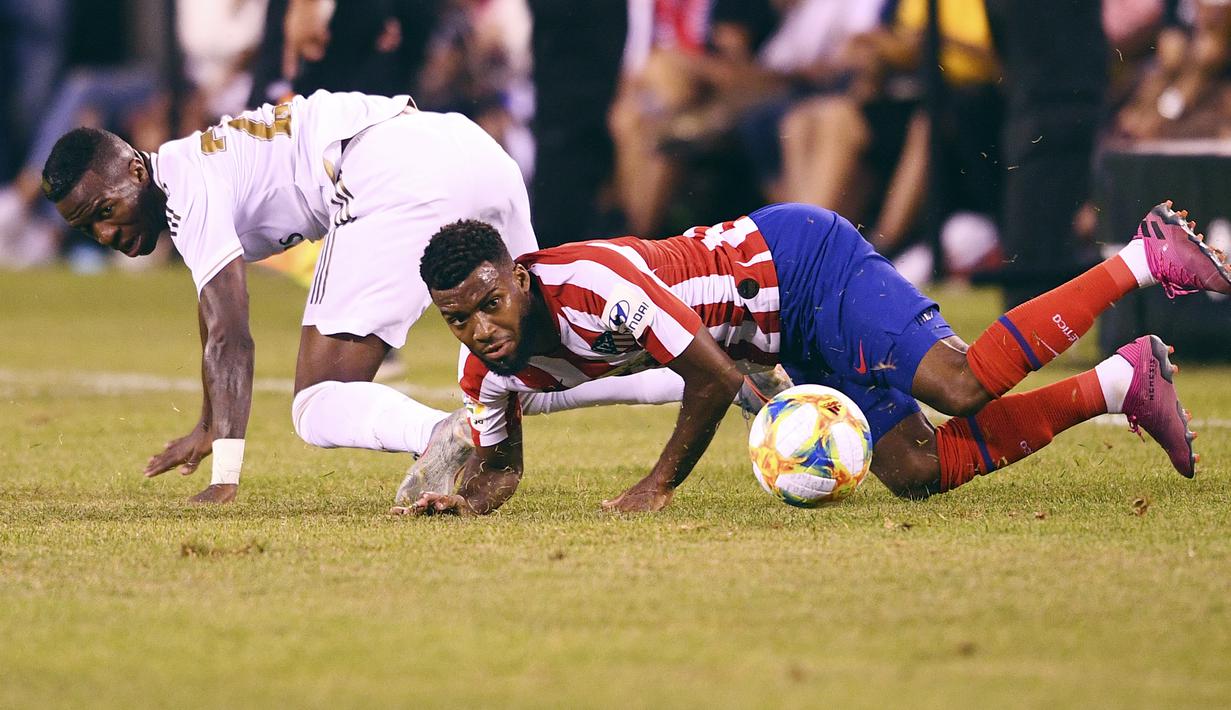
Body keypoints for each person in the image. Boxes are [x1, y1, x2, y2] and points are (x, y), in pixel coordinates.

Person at [40, 89, 686, 504]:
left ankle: (440, 432)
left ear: (136, 168)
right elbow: (213, 320)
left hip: (391, 169)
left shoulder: (185, 184)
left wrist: (225, 472)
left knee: (318, 403)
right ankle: (704, 369)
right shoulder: (188, 171)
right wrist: (211, 420)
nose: (106, 234)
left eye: (105, 211)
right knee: (528, 365)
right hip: (470, 149)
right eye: (87, 228)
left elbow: (230, 331)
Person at [399, 200, 1231, 516]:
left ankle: (1142, 255)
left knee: (958, 384)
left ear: (518, 277)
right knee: (916, 470)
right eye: (457, 319)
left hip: (799, 264)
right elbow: (501, 465)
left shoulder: (590, 284)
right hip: (781, 334)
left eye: (489, 302)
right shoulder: (488, 374)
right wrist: (465, 501)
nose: (479, 328)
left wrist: (656, 486)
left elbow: (714, 378)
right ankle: (1120, 382)